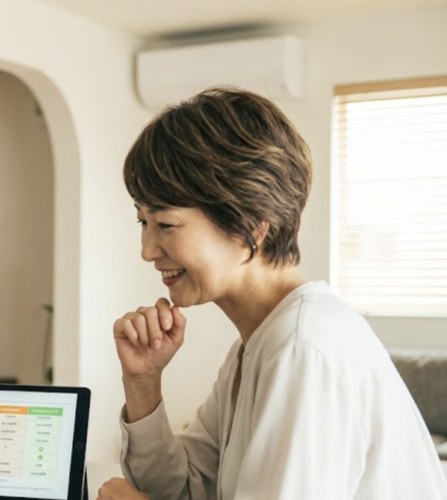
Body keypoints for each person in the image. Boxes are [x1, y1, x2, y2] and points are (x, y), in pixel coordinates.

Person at [97, 88, 447, 499]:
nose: (147, 250)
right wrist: (143, 382)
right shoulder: (260, 342)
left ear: (251, 224)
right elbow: (184, 489)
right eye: (143, 222)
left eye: (167, 225)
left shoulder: (304, 348)